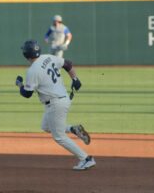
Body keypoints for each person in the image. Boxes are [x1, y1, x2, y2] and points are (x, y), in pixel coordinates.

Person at [15, 40, 95, 171]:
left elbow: (27, 94)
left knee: (59, 137)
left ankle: (86, 159)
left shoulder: (32, 71)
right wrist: (75, 79)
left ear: (26, 55)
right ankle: (73, 129)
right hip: (62, 100)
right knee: (46, 127)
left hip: (55, 104)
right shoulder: (48, 57)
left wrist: (19, 84)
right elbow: (68, 64)